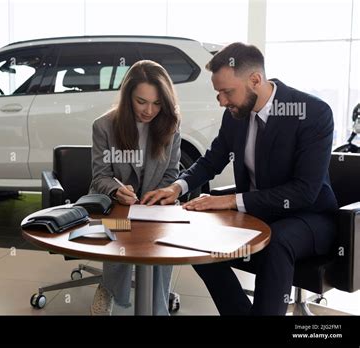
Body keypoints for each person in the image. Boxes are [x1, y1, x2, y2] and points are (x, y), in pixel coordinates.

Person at [141, 42, 338, 315]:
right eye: (218, 92)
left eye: (226, 91)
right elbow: (212, 159)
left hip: (310, 217)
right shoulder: (235, 115)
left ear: (255, 80)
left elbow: (304, 192)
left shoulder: (312, 113)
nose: (221, 100)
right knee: (196, 238)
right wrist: (177, 186)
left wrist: (230, 201)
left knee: (277, 241)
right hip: (259, 214)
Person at [89, 60, 181, 315]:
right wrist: (116, 191)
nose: (149, 110)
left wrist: (159, 194)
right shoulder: (104, 126)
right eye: (141, 101)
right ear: (128, 95)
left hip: (154, 208)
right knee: (118, 230)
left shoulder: (171, 124)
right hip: (118, 206)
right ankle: (110, 290)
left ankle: (158, 307)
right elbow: (100, 176)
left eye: (157, 103)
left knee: (161, 243)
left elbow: (172, 174)